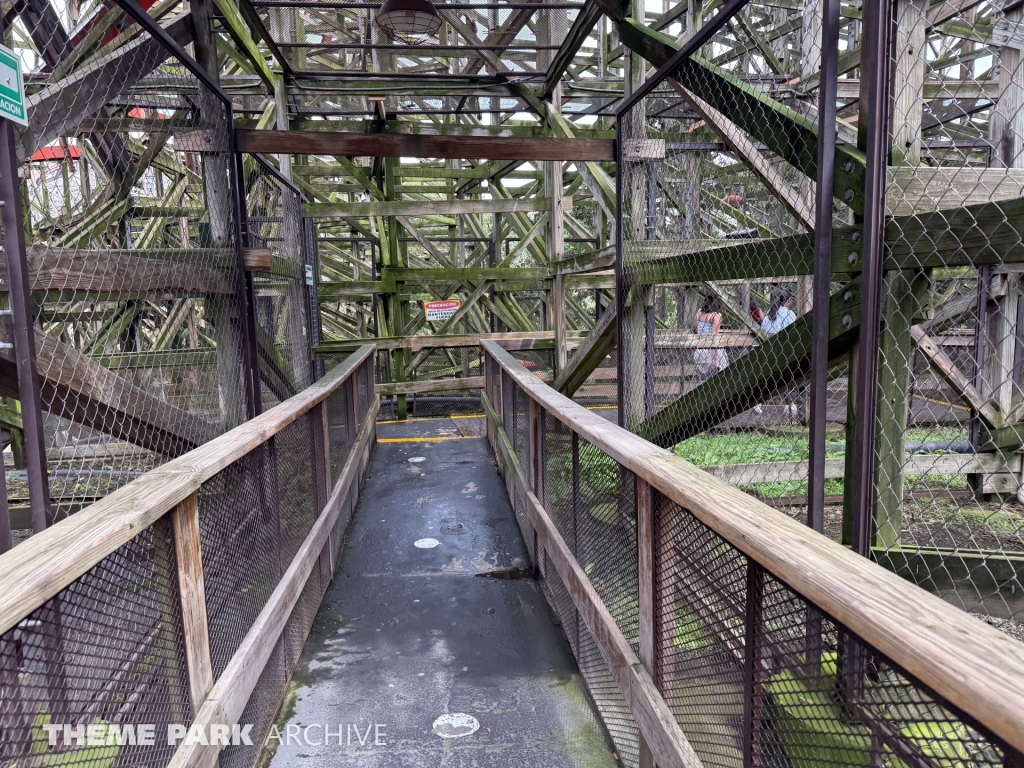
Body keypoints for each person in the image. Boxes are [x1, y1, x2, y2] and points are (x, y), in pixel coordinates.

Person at [761, 288, 800, 418]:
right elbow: (797, 334)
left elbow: (762, 333)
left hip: (770, 356)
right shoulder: (789, 314)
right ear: (788, 301)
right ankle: (792, 413)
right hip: (787, 354)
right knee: (791, 382)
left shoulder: (768, 315)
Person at [694, 294, 728, 380]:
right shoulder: (716, 316)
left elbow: (699, 332)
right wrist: (714, 360)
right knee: (721, 378)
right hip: (711, 353)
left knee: (704, 380)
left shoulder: (699, 313)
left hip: (699, 351)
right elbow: (714, 339)